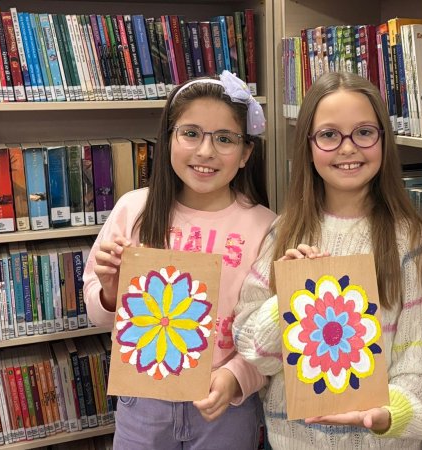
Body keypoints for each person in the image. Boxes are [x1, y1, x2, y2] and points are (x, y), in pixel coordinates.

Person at [233, 71, 422, 448]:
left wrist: (386, 413)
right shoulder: (285, 231)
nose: (348, 148)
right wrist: (285, 302)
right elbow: (253, 350)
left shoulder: (407, 239)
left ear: (384, 139)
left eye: (364, 132)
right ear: (308, 144)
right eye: (329, 135)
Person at [82, 71, 276, 449]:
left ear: (245, 153)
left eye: (224, 139)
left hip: (224, 407)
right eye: (191, 133)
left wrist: (236, 377)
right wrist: (110, 292)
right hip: (143, 401)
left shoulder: (266, 226)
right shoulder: (134, 210)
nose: (205, 151)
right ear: (168, 139)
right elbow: (99, 314)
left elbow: (269, 334)